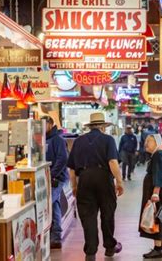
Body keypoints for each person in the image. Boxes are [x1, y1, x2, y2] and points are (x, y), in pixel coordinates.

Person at [67, 112, 124, 261]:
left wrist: (74, 186)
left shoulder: (79, 141)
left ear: (91, 126)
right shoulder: (108, 140)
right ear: (103, 127)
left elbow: (72, 169)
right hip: (104, 178)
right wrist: (119, 182)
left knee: (88, 217)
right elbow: (113, 162)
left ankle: (90, 253)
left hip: (84, 179)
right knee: (107, 214)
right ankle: (109, 247)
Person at [139, 134, 162, 259]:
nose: (146, 144)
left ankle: (158, 248)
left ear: (156, 142)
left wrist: (155, 193)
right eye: (146, 142)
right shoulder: (161, 154)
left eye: (149, 142)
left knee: (156, 217)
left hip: (159, 192)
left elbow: (159, 175)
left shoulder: (158, 155)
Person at [42, 116, 68, 249]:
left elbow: (62, 158)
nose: (41, 127)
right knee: (54, 204)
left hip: (56, 178)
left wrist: (52, 175)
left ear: (51, 124)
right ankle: (55, 236)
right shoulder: (44, 138)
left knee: (52, 204)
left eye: (44, 124)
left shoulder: (57, 139)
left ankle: (56, 236)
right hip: (49, 177)